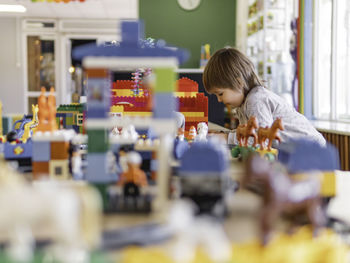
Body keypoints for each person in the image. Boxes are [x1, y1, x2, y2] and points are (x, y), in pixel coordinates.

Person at [203, 47, 326, 146]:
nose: (219, 100)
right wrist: (224, 133)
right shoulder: (244, 104)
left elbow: (259, 138)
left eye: (220, 94)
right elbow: (250, 132)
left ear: (239, 82)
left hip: (311, 149)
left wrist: (226, 138)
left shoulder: (256, 101)